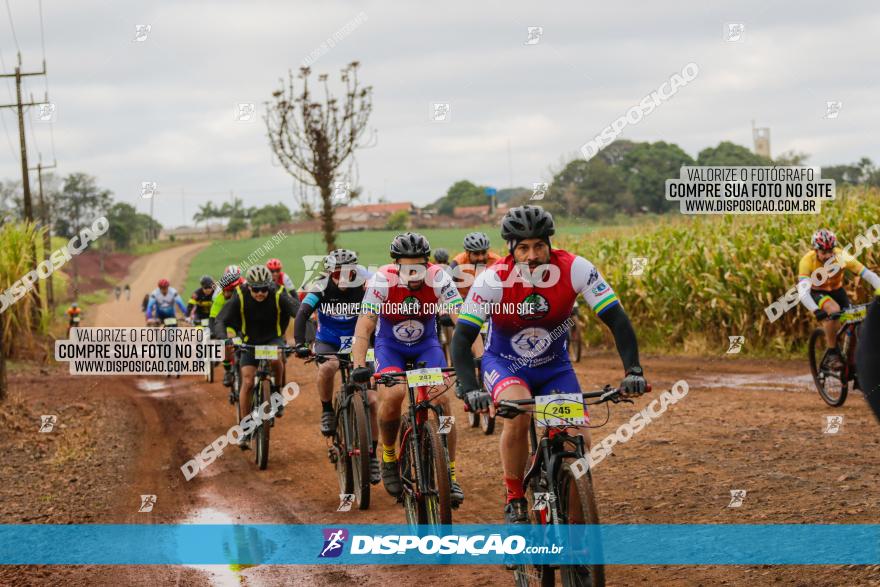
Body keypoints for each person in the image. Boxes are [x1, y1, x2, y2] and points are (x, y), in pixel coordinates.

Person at [450, 205, 647, 524]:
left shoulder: (575, 268)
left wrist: (633, 371)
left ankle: (573, 528)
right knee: (517, 413)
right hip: (505, 364)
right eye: (523, 247)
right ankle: (514, 497)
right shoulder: (492, 279)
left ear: (549, 245)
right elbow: (461, 338)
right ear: (511, 249)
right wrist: (471, 390)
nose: (532, 255)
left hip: (554, 366)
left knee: (579, 439)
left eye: (539, 245)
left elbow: (617, 319)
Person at [349, 232, 482, 507]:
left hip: (426, 344)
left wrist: (480, 359)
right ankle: (388, 456)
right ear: (396, 265)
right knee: (395, 395)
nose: (414, 273)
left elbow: (464, 321)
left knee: (442, 399)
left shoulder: (439, 278)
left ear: (427, 263)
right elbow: (365, 325)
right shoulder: (382, 280)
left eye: (419, 266)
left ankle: (451, 472)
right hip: (390, 346)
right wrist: (359, 365)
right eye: (407, 267)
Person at [293, 249, 380, 484]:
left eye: (347, 274)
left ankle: (372, 455)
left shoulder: (364, 286)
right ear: (329, 273)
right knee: (328, 366)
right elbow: (302, 314)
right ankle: (327, 411)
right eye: (336, 274)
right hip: (329, 340)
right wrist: (300, 343)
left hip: (358, 342)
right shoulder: (320, 285)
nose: (342, 279)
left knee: (371, 400)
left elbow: (379, 314)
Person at [213, 266, 300, 446]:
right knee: (247, 381)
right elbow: (221, 319)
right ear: (248, 287)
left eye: (263, 289)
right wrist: (224, 339)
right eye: (255, 289)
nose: (260, 293)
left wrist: (303, 340)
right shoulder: (240, 296)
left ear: (269, 286)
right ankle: (245, 429)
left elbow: (299, 313)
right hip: (249, 342)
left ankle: (276, 392)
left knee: (277, 359)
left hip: (272, 339)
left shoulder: (278, 293)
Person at [798, 228, 880, 370]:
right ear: (816, 251)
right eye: (824, 252)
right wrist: (815, 309)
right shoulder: (807, 261)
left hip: (837, 291)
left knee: (856, 317)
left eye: (831, 251)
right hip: (818, 293)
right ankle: (831, 353)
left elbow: (868, 275)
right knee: (833, 310)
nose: (828, 255)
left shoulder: (842, 256)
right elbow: (802, 291)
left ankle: (852, 358)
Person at [210, 265, 245, 390]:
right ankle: (228, 370)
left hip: (242, 322)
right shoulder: (219, 296)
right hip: (227, 323)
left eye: (230, 291)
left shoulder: (245, 292)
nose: (226, 294)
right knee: (226, 342)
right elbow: (214, 318)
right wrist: (214, 333)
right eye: (225, 290)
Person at [450, 232, 502, 299]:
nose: (481, 258)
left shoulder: (497, 261)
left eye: (484, 253)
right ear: (467, 253)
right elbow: (446, 289)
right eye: (476, 254)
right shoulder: (457, 263)